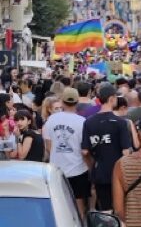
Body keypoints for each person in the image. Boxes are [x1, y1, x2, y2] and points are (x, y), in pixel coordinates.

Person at [82, 83, 131, 212]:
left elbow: (85, 151)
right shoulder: (120, 123)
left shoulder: (89, 122)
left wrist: (92, 166)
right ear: (111, 99)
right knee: (120, 208)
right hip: (118, 172)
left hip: (100, 172)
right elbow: (126, 152)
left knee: (105, 209)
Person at [43, 87, 90, 218]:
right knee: (79, 206)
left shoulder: (51, 120)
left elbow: (48, 146)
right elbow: (84, 150)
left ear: (62, 102)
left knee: (58, 206)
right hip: (78, 169)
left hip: (57, 170)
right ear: (77, 102)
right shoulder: (82, 122)